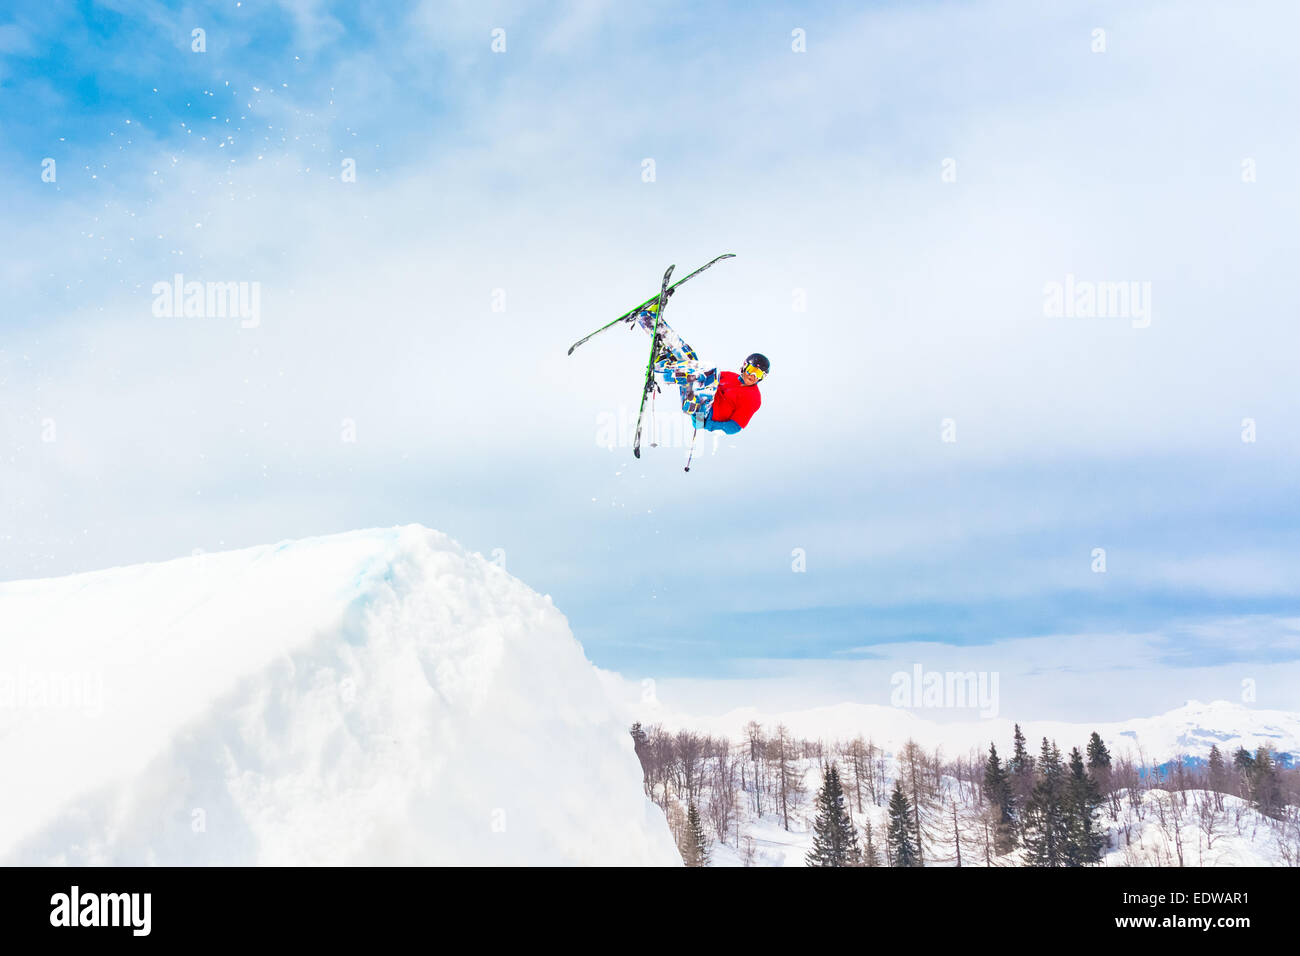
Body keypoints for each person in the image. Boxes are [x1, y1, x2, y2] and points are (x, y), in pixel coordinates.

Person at [632, 304, 767, 435]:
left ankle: (661, 372)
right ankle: (648, 319)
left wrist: (707, 425)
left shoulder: (753, 397)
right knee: (689, 358)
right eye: (751, 369)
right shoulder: (730, 376)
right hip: (695, 401)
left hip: (704, 415)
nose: (753, 375)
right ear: (744, 366)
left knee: (708, 370)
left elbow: (735, 427)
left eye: (759, 373)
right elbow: (699, 376)